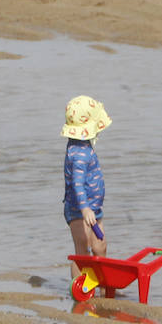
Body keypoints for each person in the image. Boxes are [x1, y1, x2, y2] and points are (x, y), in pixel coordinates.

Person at [62, 96, 112, 271]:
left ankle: (104, 284)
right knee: (82, 251)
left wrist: (91, 208)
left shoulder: (81, 145)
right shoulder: (80, 154)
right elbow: (77, 183)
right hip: (79, 210)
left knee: (100, 246)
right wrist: (84, 208)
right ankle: (79, 290)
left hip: (94, 209)